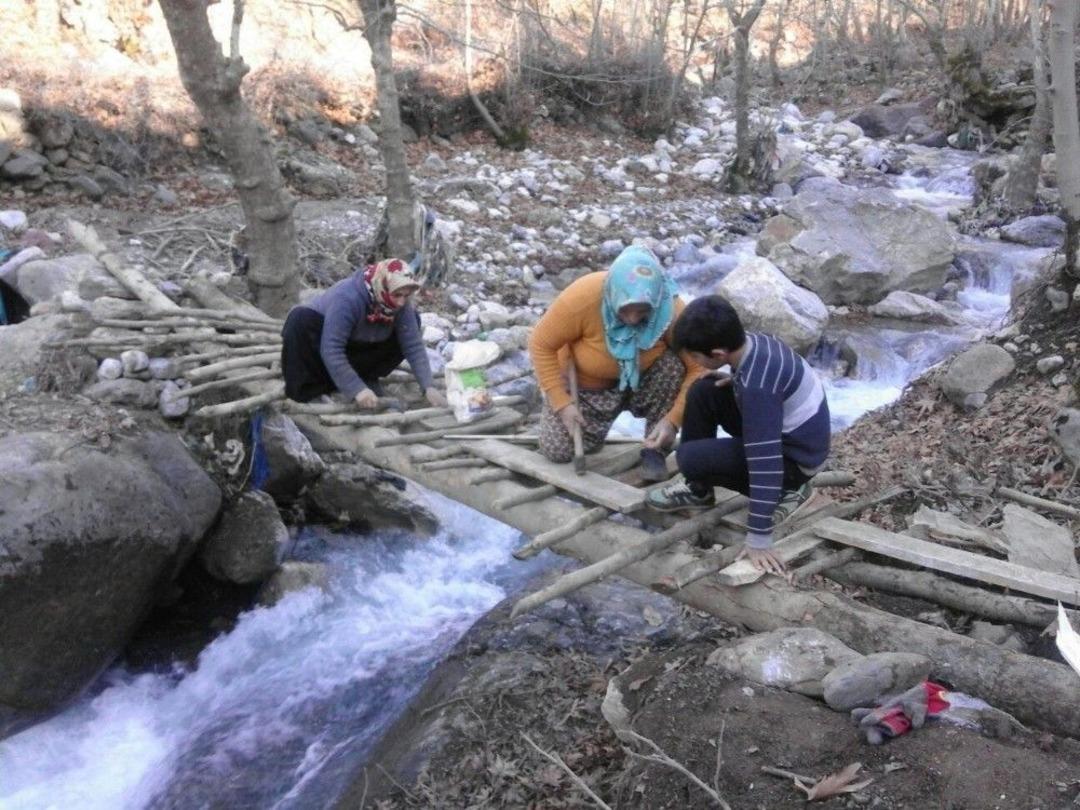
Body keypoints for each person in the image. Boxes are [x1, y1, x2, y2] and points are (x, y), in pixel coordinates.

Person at [646, 295, 830, 574]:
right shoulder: (753, 344)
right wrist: (736, 380)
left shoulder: (758, 388)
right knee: (703, 391)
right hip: (788, 431)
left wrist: (759, 538)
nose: (692, 361)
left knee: (688, 458)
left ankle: (789, 491)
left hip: (794, 461)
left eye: (695, 356)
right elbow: (771, 386)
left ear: (718, 354)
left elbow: (765, 462)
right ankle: (698, 490)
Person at [528, 245, 703, 479]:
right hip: (589, 388)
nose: (632, 319)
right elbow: (540, 343)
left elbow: (698, 367)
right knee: (557, 451)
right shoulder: (584, 297)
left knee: (672, 366)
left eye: (642, 312)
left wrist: (673, 420)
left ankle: (655, 449)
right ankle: (594, 432)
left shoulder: (669, 308)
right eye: (625, 310)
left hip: (645, 384)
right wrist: (562, 404)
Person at [281, 258, 447, 409]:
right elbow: (331, 349)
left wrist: (428, 386)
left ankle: (364, 378)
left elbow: (413, 345)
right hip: (321, 351)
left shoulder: (399, 304)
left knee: (414, 322)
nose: (401, 302)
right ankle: (310, 391)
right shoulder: (347, 298)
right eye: (397, 295)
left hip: (358, 347)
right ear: (382, 285)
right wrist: (356, 389)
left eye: (406, 296)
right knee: (299, 319)